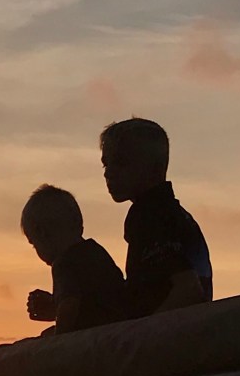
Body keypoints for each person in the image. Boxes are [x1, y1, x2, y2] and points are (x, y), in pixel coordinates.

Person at [100, 118, 212, 317]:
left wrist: (144, 333)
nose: (108, 173)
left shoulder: (151, 216)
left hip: (170, 337)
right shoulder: (175, 215)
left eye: (121, 163)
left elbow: (189, 290)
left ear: (153, 168)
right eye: (106, 164)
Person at [22, 185, 127, 334]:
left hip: (96, 337)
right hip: (119, 327)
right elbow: (93, 302)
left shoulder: (64, 264)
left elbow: (69, 308)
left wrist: (58, 339)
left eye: (33, 243)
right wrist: (54, 305)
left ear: (42, 234)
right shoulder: (97, 252)